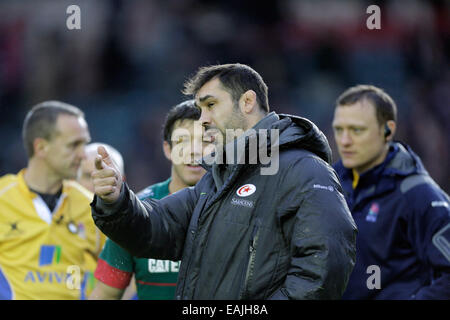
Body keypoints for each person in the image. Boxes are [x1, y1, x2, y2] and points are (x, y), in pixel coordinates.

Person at [91, 63, 357, 300]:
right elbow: (158, 225)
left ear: (248, 102)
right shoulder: (218, 179)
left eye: (211, 105)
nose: (203, 119)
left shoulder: (304, 169)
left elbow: (325, 266)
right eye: (200, 109)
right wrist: (116, 199)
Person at [331, 85, 450, 299]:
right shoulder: (329, 185)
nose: (345, 141)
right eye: (340, 129)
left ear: (387, 130)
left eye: (357, 130)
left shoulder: (418, 194)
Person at [89, 100, 214, 300]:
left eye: (206, 141)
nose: (195, 151)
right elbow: (106, 294)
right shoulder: (133, 213)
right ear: (167, 149)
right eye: (184, 141)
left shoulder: (243, 206)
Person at [0, 101, 105, 300]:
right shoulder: (2, 198)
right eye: (74, 144)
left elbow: (123, 268)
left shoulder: (92, 207)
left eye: (84, 143)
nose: (83, 154)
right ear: (41, 147)